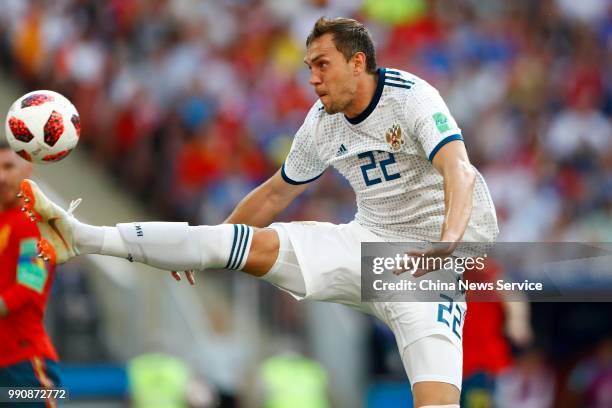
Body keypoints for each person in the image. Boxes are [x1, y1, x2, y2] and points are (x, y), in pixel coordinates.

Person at [20, 17, 498, 407]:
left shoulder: (412, 98)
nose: (312, 77)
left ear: (358, 62)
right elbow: (273, 195)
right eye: (309, 65)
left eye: (322, 64)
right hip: (364, 245)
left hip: (431, 269)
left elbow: (457, 169)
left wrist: (446, 244)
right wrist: (215, 246)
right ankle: (82, 237)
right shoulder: (321, 123)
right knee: (248, 243)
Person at [0, 141, 60, 406]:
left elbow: (29, 285)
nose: (1, 177)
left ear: (27, 169)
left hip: (22, 363)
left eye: (8, 166)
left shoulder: (31, 221)